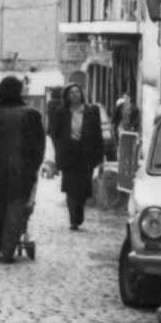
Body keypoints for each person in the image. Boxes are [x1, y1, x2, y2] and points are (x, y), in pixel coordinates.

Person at [0, 76, 45, 262]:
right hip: (22, 170)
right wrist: (33, 167)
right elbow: (39, 146)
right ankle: (8, 250)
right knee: (16, 206)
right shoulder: (32, 115)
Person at [49, 83, 105, 231]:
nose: (75, 95)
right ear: (67, 96)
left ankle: (79, 213)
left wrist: (99, 156)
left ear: (81, 94)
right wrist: (58, 152)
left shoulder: (91, 111)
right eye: (71, 93)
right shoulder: (61, 112)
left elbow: (98, 135)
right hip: (68, 153)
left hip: (86, 153)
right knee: (70, 187)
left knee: (83, 188)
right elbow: (54, 134)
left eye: (77, 92)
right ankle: (73, 219)